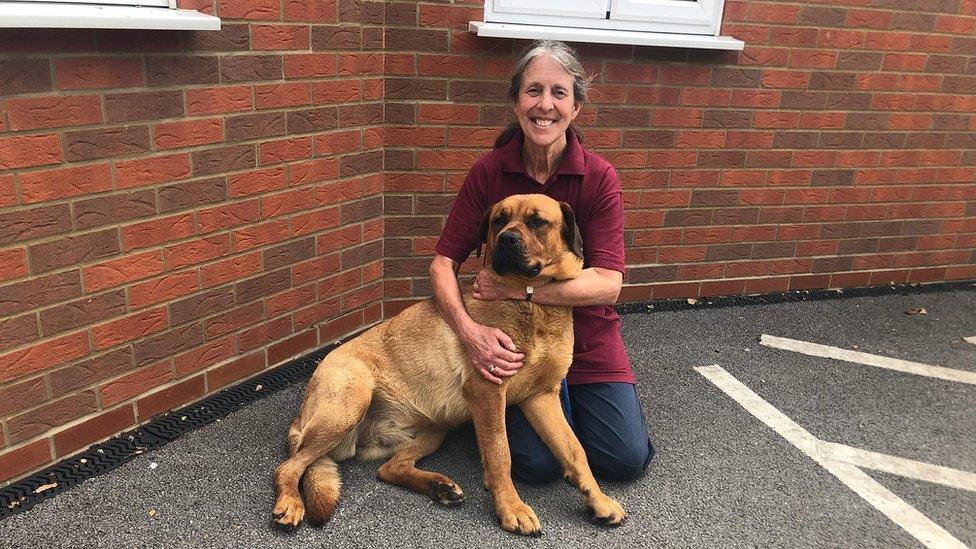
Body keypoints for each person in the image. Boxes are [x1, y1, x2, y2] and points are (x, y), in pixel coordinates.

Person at [429, 40, 654, 482]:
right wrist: (470, 332)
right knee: (539, 467)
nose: (544, 105)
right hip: (515, 342)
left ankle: (576, 414)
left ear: (575, 107)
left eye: (559, 93)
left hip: (586, 340)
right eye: (533, 91)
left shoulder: (598, 177)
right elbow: (442, 264)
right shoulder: (489, 172)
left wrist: (517, 288)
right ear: (516, 101)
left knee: (624, 460)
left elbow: (608, 284)